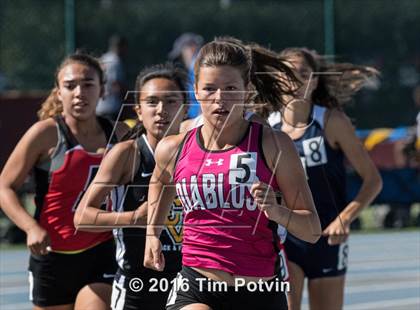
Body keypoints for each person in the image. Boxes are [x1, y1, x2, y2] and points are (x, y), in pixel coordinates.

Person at [144, 38, 322, 310]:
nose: (219, 99)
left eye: (230, 89)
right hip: (197, 285)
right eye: (210, 89)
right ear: (196, 91)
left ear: (247, 91)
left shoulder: (273, 145)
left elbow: (312, 230)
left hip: (259, 289)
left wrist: (277, 212)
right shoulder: (173, 147)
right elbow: (161, 181)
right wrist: (152, 232)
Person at [0, 53, 127, 310]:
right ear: (59, 93)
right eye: (70, 86)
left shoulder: (121, 134)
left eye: (88, 84)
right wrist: (30, 228)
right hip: (53, 255)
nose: (79, 92)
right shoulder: (46, 134)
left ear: (102, 90)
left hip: (103, 251)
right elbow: (4, 186)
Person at [266, 47, 383, 310]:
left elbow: (373, 180)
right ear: (277, 79)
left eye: (303, 73)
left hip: (327, 237)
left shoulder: (331, 122)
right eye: (288, 73)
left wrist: (346, 218)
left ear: (315, 80)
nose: (295, 80)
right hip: (286, 238)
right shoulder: (266, 127)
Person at [74, 63, 187, 310]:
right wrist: (134, 217)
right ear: (138, 110)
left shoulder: (198, 153)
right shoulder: (127, 154)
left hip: (190, 284)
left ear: (185, 108)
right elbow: (82, 216)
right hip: (138, 286)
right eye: (152, 102)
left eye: (170, 101)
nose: (161, 110)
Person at [169, 32, 204, 119]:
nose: (182, 59)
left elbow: (204, 96)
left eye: (182, 53)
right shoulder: (195, 68)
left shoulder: (198, 68)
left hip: (198, 120)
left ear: (192, 48)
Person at [96, 35, 128, 121]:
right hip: (111, 108)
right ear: (121, 46)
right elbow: (116, 85)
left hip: (99, 107)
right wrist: (129, 101)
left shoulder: (103, 58)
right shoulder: (115, 61)